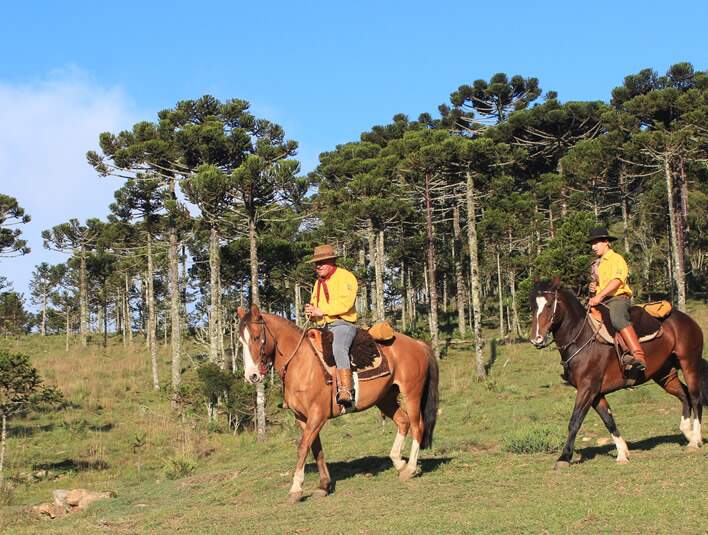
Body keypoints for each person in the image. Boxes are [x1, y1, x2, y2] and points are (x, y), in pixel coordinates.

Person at [304, 244, 359, 407]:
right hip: (323, 327)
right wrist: (310, 312)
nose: (318, 266)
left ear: (332, 261)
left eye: (322, 262)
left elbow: (347, 303)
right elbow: (316, 307)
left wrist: (322, 310)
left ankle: (346, 389)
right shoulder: (318, 283)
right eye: (316, 263)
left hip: (343, 324)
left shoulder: (346, 277)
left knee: (338, 348)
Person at [586, 227, 647, 371]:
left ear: (606, 242)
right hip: (602, 300)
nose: (593, 247)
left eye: (596, 243)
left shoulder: (616, 259)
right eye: (592, 244)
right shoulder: (598, 264)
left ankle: (638, 356)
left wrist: (599, 295)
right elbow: (603, 284)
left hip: (618, 298)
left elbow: (617, 281)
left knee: (617, 318)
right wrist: (595, 288)